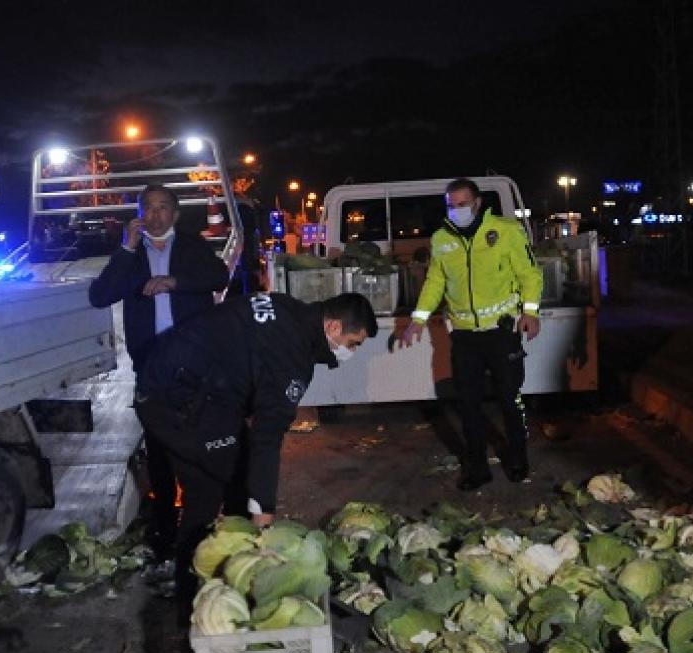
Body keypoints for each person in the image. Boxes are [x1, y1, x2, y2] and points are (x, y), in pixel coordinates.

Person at [134, 291, 376, 620]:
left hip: (178, 385)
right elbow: (267, 436)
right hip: (176, 401)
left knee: (227, 479)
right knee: (219, 489)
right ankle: (200, 599)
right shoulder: (291, 360)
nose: (352, 352)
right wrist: (263, 511)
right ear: (333, 327)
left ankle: (213, 584)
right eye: (354, 342)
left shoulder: (289, 307)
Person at [87, 184, 229, 582]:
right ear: (139, 214)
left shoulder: (190, 246)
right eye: (147, 208)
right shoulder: (132, 254)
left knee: (199, 442)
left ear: (176, 214)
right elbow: (100, 296)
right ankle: (164, 530)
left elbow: (218, 276)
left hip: (193, 365)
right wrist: (126, 249)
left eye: (163, 207)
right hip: (151, 365)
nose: (155, 215)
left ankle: (204, 522)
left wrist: (174, 281)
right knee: (161, 448)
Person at [399, 177, 543, 491]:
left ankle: (517, 459)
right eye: (452, 206)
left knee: (510, 399)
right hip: (464, 337)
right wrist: (418, 320)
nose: (457, 210)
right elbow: (435, 282)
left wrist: (531, 312)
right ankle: (477, 468)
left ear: (477, 203)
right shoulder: (441, 239)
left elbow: (529, 273)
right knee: (468, 404)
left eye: (463, 204)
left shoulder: (505, 231)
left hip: (502, 333)